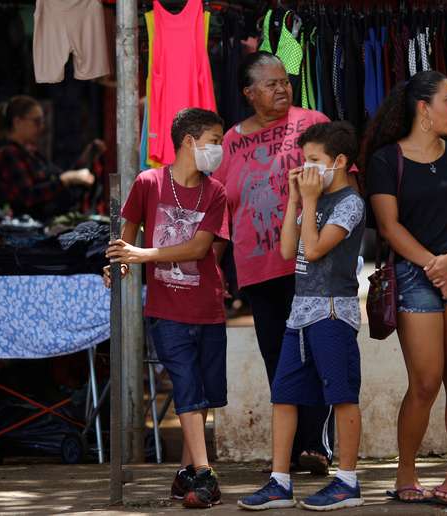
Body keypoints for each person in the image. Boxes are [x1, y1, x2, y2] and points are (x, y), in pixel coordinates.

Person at [212, 51, 349, 474]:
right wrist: (214, 268)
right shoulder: (232, 140)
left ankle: (316, 446)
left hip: (312, 261)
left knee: (320, 352)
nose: (282, 89)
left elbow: (345, 184)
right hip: (257, 267)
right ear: (249, 93)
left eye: (286, 81)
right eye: (271, 84)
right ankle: (290, 448)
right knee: (279, 355)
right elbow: (222, 209)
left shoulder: (313, 123)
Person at [362, 70, 447, 505]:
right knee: (426, 381)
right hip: (414, 275)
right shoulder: (384, 160)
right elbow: (388, 226)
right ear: (423, 109)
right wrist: (434, 266)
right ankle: (406, 470)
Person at [238, 122, 366, 511]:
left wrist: (310, 202)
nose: (307, 168)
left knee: (341, 395)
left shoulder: (350, 203)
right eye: (303, 160)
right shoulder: (313, 199)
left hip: (332, 312)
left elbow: (312, 251)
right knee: (284, 394)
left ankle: (347, 480)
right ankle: (279, 481)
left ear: (339, 162)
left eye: (314, 161)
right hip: (300, 313)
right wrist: (295, 198)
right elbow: (287, 250)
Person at [104, 108, 228, 509]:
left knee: (203, 394)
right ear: (190, 141)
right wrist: (118, 263)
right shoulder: (148, 183)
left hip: (208, 306)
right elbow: (124, 241)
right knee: (186, 385)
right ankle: (206, 475)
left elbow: (198, 248)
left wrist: (141, 255)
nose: (219, 148)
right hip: (166, 308)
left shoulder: (216, 192)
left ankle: (185, 475)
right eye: (215, 140)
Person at [0, 95, 95, 220]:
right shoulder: (8, 154)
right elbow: (27, 196)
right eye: (36, 122)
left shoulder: (31, 153)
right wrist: (66, 179)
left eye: (42, 122)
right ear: (17, 122)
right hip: (30, 228)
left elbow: (57, 178)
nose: (42, 127)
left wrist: (86, 158)